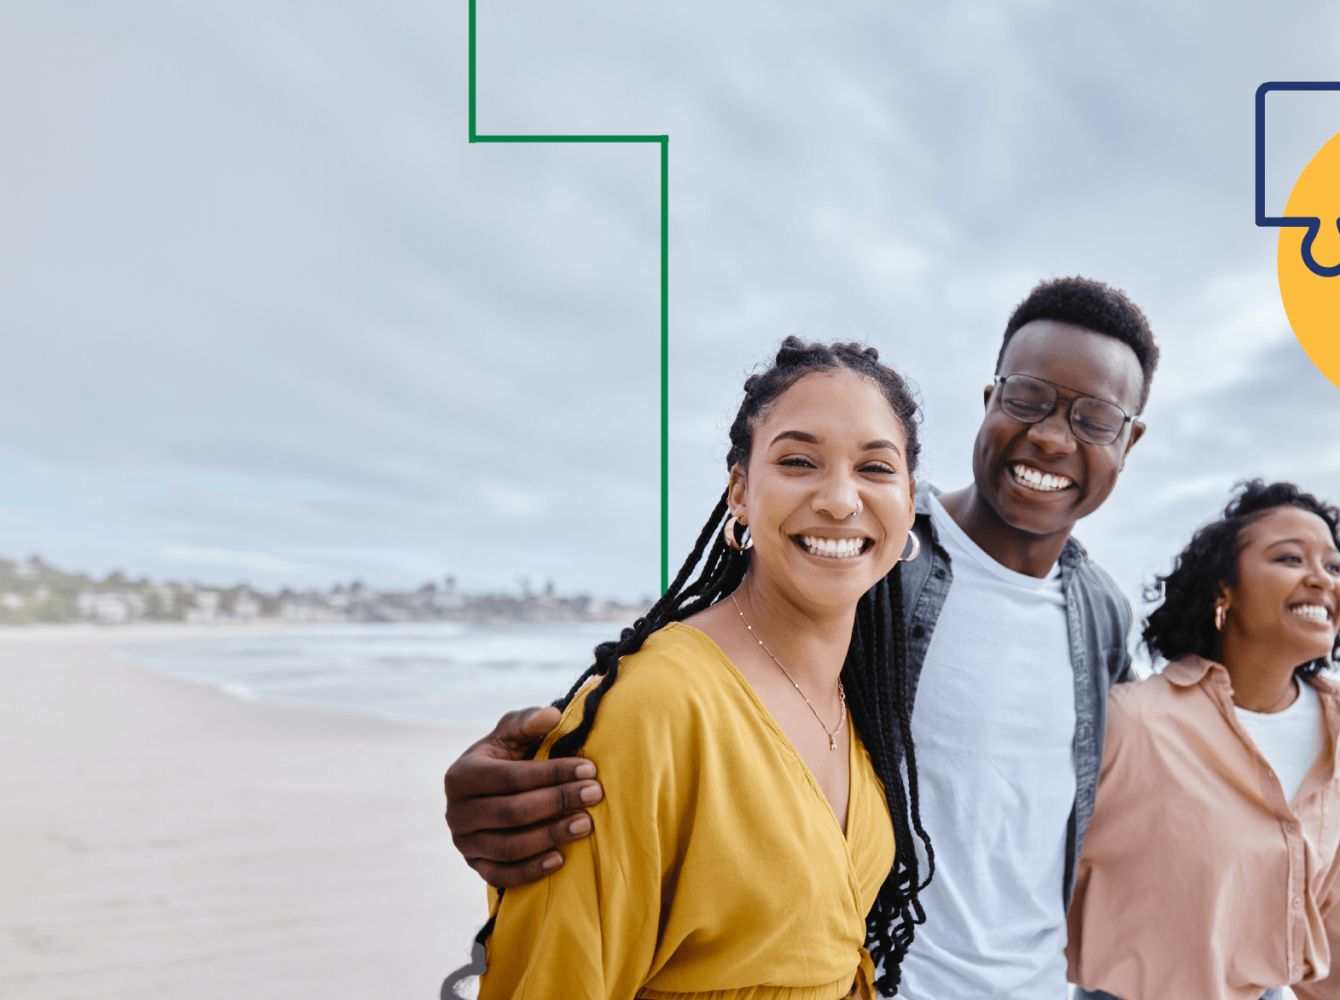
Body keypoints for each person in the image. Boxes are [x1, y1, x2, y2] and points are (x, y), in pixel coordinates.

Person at [447, 277, 1158, 1000]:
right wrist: (518, 783)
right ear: (990, 399)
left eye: (1096, 417)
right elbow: (693, 706)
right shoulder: (873, 564)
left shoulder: (1101, 615)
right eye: (1028, 397)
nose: (1050, 434)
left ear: (1129, 441)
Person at [474, 338, 934, 999]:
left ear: (909, 500)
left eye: (876, 469)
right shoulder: (658, 704)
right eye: (799, 461)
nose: (840, 499)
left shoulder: (853, 696)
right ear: (741, 493)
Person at [1067, 481, 1340, 1000]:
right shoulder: (1133, 723)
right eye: (1290, 558)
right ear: (1225, 590)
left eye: (1335, 568)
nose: (1321, 580)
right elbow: (1035, 876)